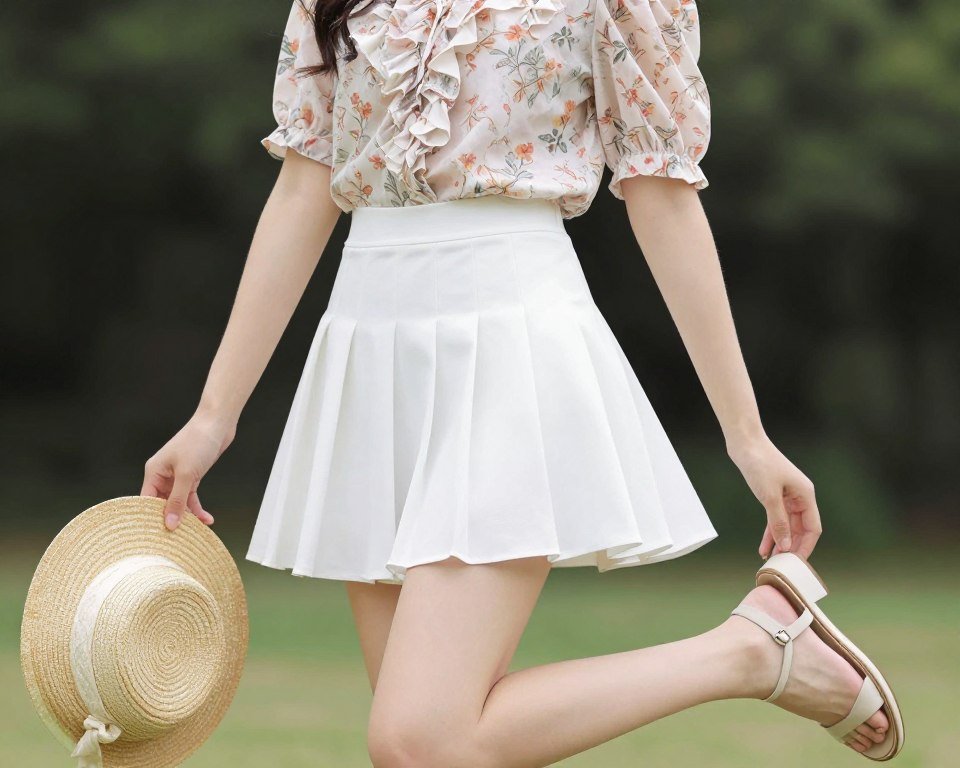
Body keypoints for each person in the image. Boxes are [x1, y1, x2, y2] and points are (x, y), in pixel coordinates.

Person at [142, 0, 897, 763]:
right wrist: (213, 416)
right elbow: (303, 189)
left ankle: (750, 653)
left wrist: (748, 435)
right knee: (438, 755)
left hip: (510, 339)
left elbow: (663, 193)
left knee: (421, 741)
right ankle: (756, 651)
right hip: (368, 351)